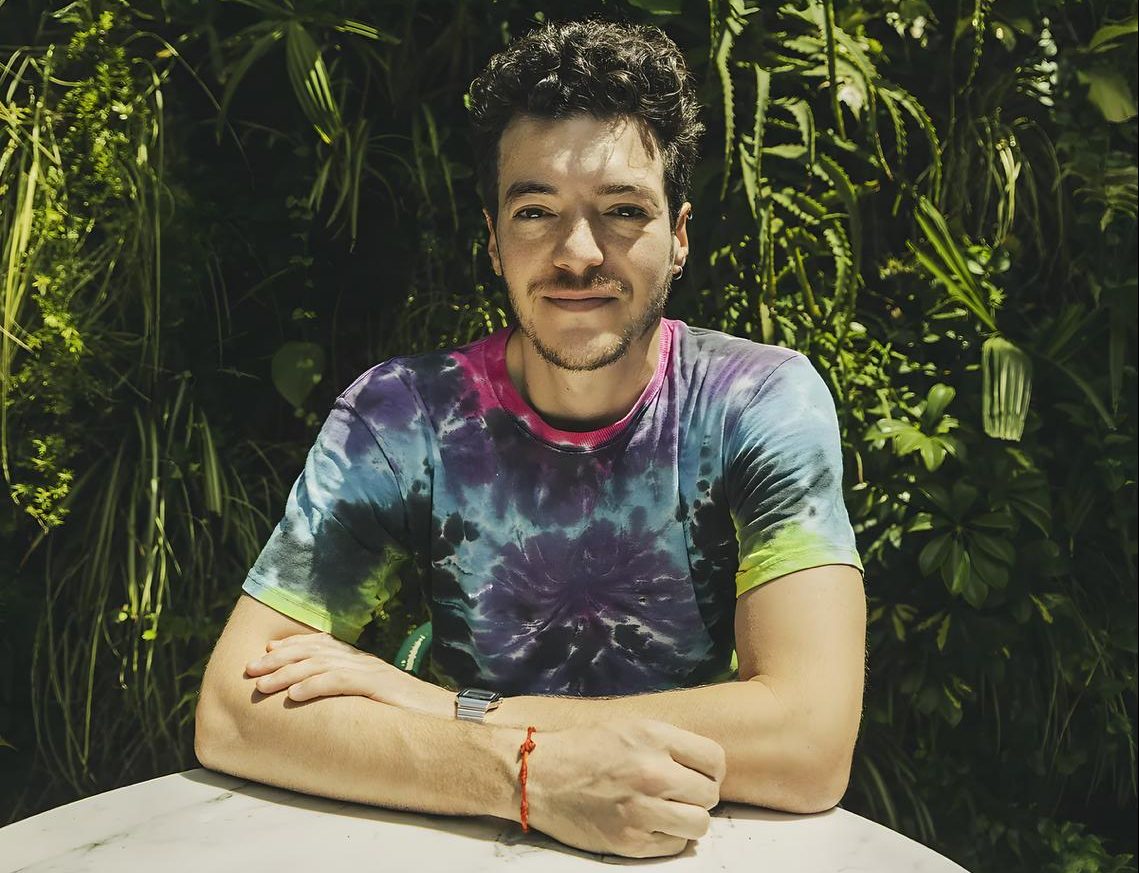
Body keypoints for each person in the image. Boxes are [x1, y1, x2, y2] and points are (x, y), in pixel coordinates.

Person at [193, 18, 867, 860]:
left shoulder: (755, 401)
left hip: (693, 840)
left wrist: (455, 712)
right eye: (536, 210)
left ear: (680, 236)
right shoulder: (405, 415)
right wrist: (527, 777)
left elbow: (808, 739)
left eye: (623, 211)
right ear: (493, 237)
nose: (577, 253)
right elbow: (233, 712)